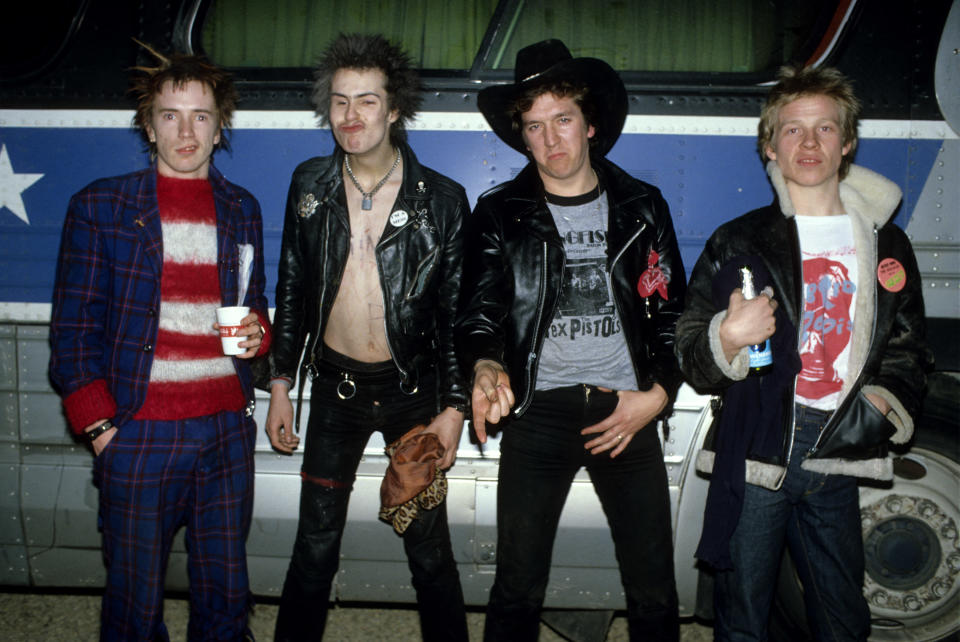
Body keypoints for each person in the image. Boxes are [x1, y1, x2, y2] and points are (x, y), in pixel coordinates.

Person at [674, 65, 933, 640]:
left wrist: (882, 409)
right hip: (760, 447)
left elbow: (909, 345)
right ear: (770, 145)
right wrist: (726, 337)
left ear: (848, 143)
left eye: (824, 129)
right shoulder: (738, 239)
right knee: (742, 617)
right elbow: (688, 348)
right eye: (792, 130)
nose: (809, 143)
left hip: (834, 448)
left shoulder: (885, 242)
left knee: (842, 618)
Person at [457, 39, 685, 640]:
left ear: (589, 125)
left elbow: (670, 318)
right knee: (516, 588)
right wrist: (484, 365)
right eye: (535, 126)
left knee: (655, 588)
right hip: (537, 414)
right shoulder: (500, 214)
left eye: (562, 120)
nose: (551, 140)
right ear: (522, 136)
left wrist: (657, 396)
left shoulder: (640, 207)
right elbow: (479, 315)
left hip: (625, 410)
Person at [48, 49, 270, 640]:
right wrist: (101, 431)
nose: (186, 131)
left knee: (225, 595)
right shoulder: (102, 207)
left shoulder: (242, 208)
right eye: (171, 116)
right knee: (134, 601)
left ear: (220, 128)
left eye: (201, 116)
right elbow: (72, 332)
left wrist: (258, 334)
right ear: (148, 125)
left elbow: (256, 307)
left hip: (225, 430)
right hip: (139, 431)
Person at [265, 33, 469, 642]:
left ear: (395, 108)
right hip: (336, 391)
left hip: (413, 395)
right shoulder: (309, 187)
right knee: (314, 549)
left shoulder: (443, 203)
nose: (351, 116)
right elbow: (293, 292)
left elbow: (456, 320)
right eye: (340, 102)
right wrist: (279, 385)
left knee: (430, 555)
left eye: (367, 101)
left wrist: (454, 410)